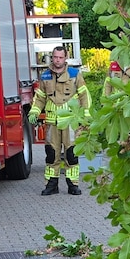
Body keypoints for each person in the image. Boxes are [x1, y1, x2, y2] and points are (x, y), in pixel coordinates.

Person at [29, 46, 91, 196]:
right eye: (55, 57)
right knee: (51, 154)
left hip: (70, 122)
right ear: (52, 57)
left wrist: (86, 115)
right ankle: (51, 184)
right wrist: (34, 111)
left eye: (60, 57)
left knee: (71, 154)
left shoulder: (75, 75)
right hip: (52, 122)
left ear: (66, 58)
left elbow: (84, 96)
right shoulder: (45, 76)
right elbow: (40, 97)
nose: (57, 60)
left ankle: (73, 185)